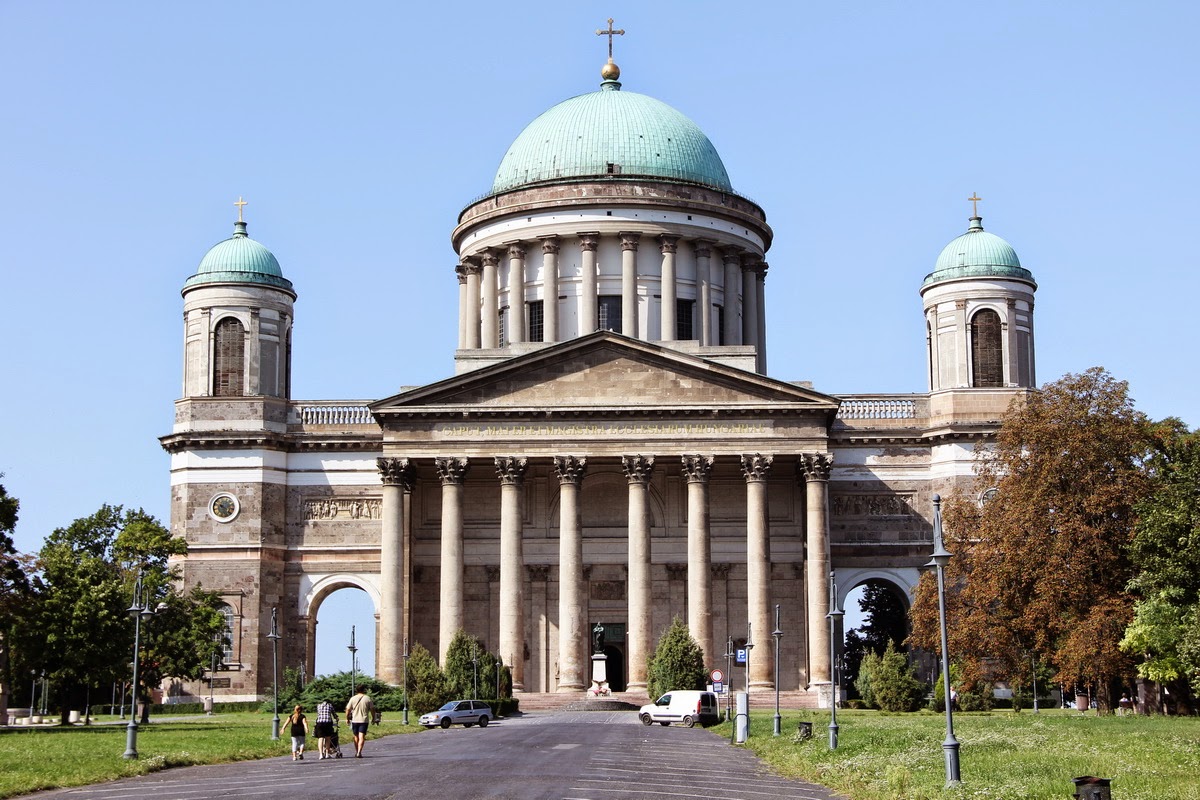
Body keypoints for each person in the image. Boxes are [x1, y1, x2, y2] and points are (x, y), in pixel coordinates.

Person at [345, 684, 376, 758]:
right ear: (364, 690)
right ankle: (359, 751)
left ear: (356, 690)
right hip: (364, 720)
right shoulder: (367, 698)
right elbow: (372, 709)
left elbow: (348, 709)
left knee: (356, 736)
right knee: (361, 736)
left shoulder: (353, 698)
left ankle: (357, 751)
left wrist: (347, 718)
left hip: (355, 720)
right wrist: (373, 718)